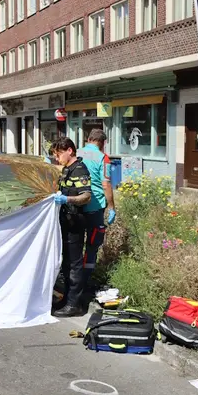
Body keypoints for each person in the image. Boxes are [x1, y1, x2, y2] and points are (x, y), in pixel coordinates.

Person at [52, 137, 93, 317]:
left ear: (69, 150)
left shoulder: (79, 170)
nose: (57, 158)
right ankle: (68, 298)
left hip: (76, 222)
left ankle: (74, 304)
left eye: (59, 154)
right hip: (66, 221)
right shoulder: (67, 170)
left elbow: (86, 196)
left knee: (75, 263)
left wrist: (67, 199)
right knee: (66, 261)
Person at [77, 129, 117, 304]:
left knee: (76, 244)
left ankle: (73, 281)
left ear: (88, 139)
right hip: (95, 206)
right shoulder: (103, 157)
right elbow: (106, 183)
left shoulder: (77, 153)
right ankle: (85, 282)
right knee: (92, 245)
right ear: (102, 142)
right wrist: (112, 206)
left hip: (77, 205)